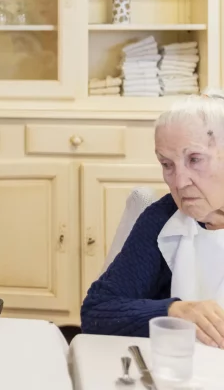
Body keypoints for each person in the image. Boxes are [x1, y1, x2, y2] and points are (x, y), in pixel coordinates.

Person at [81, 89, 224, 348]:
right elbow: (97, 312)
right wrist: (174, 312)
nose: (179, 182)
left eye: (195, 159)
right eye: (167, 165)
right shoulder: (162, 217)